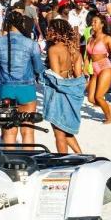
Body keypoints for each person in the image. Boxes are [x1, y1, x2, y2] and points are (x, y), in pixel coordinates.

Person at [0, 10, 43, 145]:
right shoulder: (31, 44)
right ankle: (27, 161)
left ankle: (9, 161)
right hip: (26, 88)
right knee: (27, 130)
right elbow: (38, 68)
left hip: (6, 89)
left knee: (9, 130)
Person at [43, 19, 86, 153]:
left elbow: (56, 77)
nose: (47, 31)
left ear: (56, 32)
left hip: (57, 94)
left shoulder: (54, 50)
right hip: (71, 91)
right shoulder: (75, 51)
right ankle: (80, 155)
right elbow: (78, 76)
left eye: (50, 29)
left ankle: (64, 161)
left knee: (59, 134)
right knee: (65, 130)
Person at [85, 14, 111, 123]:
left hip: (105, 67)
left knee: (99, 96)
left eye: (95, 22)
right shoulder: (90, 39)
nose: (92, 24)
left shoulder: (107, 38)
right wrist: (85, 68)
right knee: (91, 98)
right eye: (92, 22)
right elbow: (88, 56)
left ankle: (109, 118)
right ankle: (109, 107)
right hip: (95, 69)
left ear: (102, 24)